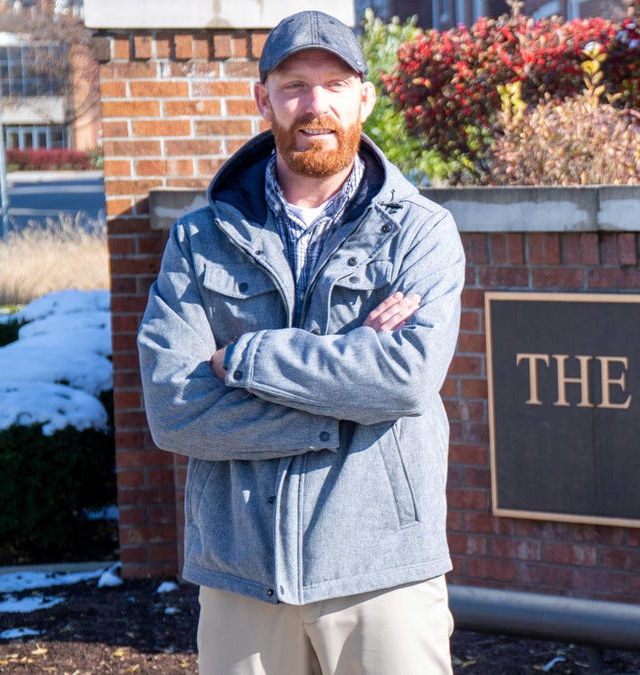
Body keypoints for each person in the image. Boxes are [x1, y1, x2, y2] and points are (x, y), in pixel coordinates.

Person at [137, 9, 464, 674]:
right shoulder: (200, 241)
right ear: (263, 99)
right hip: (242, 575)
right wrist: (347, 395)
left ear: (365, 97)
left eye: (336, 84)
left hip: (383, 573)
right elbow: (174, 406)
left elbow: (403, 380)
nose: (316, 105)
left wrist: (249, 358)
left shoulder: (422, 234)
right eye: (293, 86)